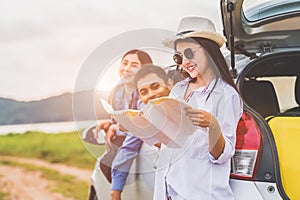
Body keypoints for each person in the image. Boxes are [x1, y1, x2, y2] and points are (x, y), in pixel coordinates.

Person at [154, 16, 243, 200]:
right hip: (168, 193)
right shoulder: (178, 90)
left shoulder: (226, 95)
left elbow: (222, 155)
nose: (184, 62)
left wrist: (212, 125)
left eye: (189, 53)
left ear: (209, 50)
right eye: (179, 57)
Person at [110, 64, 173, 200]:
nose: (128, 70)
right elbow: (130, 144)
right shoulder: (144, 113)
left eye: (135, 65)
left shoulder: (189, 107)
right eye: (143, 92)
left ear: (170, 84)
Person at [94, 49, 153, 183]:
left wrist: (118, 128)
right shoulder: (115, 93)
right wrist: (110, 125)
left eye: (134, 65)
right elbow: (118, 120)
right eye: (124, 63)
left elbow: (142, 125)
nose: (127, 69)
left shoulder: (148, 95)